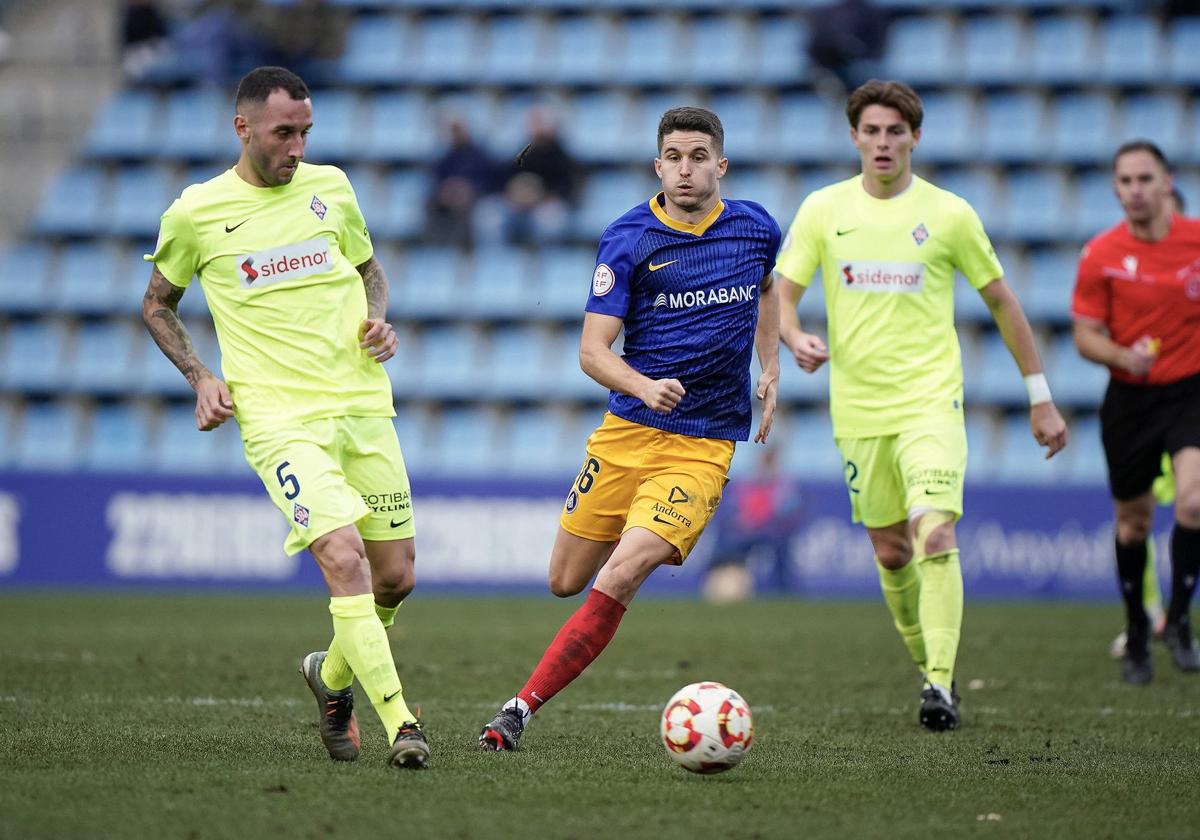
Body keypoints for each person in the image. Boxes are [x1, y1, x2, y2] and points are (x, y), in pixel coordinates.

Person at [141, 66, 428, 769]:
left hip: (361, 405)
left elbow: (370, 271)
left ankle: (329, 679)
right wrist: (201, 376)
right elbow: (156, 303)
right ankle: (402, 725)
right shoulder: (196, 212)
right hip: (278, 419)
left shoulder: (333, 188)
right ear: (243, 128)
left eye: (305, 132)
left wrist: (380, 321)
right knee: (342, 556)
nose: (297, 147)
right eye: (283, 133)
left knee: (395, 579)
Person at [477, 106, 782, 751]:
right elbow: (592, 351)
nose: (686, 170)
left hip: (702, 444)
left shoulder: (755, 228)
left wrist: (772, 365)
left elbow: (768, 288)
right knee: (565, 580)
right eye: (674, 156)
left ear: (720, 166)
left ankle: (517, 710)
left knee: (621, 572)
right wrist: (644, 386)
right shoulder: (628, 237)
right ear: (657, 165)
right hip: (625, 433)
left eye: (699, 157)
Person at [776, 80, 1068, 731]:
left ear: (915, 137)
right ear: (854, 136)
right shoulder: (824, 210)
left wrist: (1040, 396)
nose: (883, 143)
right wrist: (795, 337)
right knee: (891, 552)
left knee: (934, 529)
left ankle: (937, 682)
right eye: (872, 131)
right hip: (857, 410)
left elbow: (1003, 301)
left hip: (931, 400)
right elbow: (783, 295)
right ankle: (934, 670)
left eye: (895, 132)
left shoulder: (950, 214)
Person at [1071, 140, 1200, 685]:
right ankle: (1138, 633)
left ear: (1168, 182)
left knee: (1194, 500)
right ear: (1116, 189)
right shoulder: (1101, 253)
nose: (1136, 190)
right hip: (1129, 398)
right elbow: (1084, 337)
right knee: (1134, 523)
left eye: (1145, 179)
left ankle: (1180, 620)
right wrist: (1124, 356)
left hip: (1190, 390)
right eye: (1125, 181)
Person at [424, 117, 498, 249]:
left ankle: (468, 249)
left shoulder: (480, 155)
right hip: (449, 202)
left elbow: (491, 181)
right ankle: (436, 249)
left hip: (477, 200)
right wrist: (447, 192)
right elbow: (437, 183)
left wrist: (470, 191)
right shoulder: (444, 159)